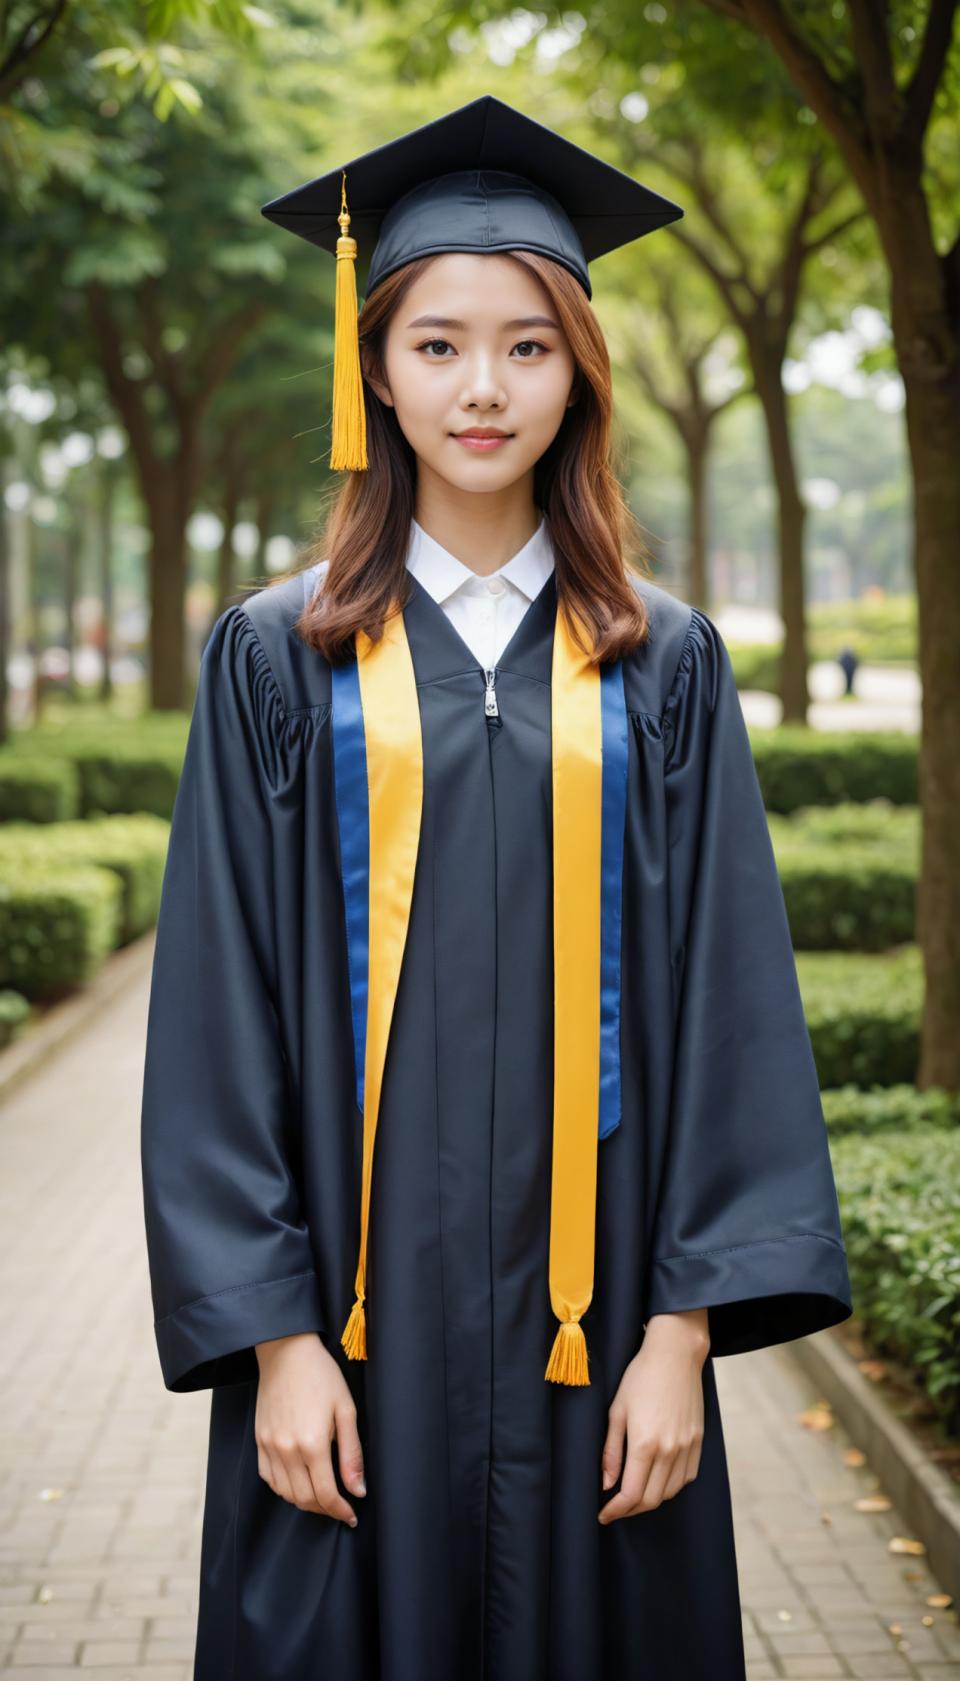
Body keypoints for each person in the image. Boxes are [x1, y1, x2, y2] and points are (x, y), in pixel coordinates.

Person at [140, 93, 853, 1681]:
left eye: (528, 345)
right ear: (373, 365)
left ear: (580, 370)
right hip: (347, 1345)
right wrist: (273, 1344)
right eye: (438, 344)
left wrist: (683, 1337)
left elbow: (729, 997)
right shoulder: (280, 658)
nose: (482, 387)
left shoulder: (659, 664)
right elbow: (216, 1016)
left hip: (595, 1352)